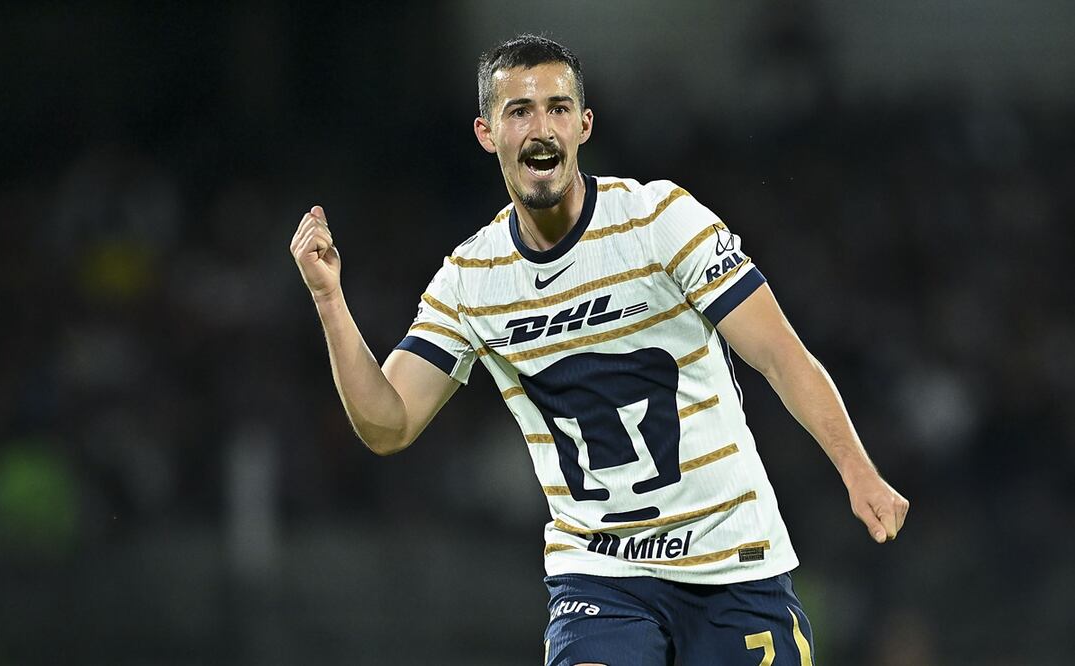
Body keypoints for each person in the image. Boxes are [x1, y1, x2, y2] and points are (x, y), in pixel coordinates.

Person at [290, 34, 908, 666]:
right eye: (519, 111)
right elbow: (389, 423)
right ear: (486, 133)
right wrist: (330, 300)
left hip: (733, 559)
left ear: (583, 125)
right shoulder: (470, 279)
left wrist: (857, 470)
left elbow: (781, 354)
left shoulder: (660, 221)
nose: (541, 129)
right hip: (599, 576)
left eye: (557, 108)